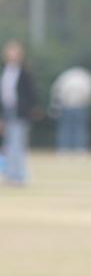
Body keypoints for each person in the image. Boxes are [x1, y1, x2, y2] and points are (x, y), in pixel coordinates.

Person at [1, 39, 40, 186]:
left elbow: (31, 94)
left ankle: (19, 176)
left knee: (18, 144)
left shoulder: (24, 73)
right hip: (8, 112)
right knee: (9, 145)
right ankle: (10, 175)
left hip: (20, 113)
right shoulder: (5, 71)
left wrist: (29, 110)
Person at [50, 66, 91, 153]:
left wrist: (56, 106)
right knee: (79, 128)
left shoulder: (66, 76)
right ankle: (79, 149)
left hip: (68, 105)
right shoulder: (86, 77)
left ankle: (64, 149)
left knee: (66, 128)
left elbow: (57, 91)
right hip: (79, 106)